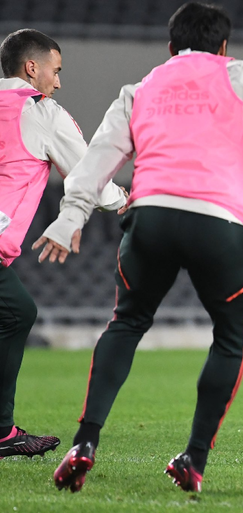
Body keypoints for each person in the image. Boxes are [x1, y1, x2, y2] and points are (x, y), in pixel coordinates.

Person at [36, 2, 243, 493]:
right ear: (224, 46)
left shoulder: (141, 88)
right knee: (229, 338)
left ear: (171, 46)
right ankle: (193, 459)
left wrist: (71, 215)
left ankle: (85, 441)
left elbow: (98, 157)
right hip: (220, 224)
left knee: (127, 322)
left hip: (151, 218)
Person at [0, 29, 127, 460]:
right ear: (32, 68)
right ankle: (1, 431)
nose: (58, 82)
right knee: (17, 311)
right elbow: (88, 174)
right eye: (55, 71)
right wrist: (125, 199)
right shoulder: (40, 112)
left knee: (17, 310)